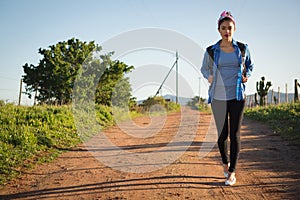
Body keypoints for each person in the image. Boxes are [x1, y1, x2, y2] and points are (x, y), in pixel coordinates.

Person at [201, 10, 254, 186]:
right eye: (223, 28)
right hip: (218, 97)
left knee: (235, 134)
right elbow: (204, 68)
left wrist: (247, 75)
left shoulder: (243, 48)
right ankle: (225, 163)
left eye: (229, 28)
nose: (227, 31)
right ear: (219, 30)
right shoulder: (211, 50)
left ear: (234, 28)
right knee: (222, 135)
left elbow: (250, 65)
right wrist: (208, 76)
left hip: (237, 96)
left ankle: (232, 173)